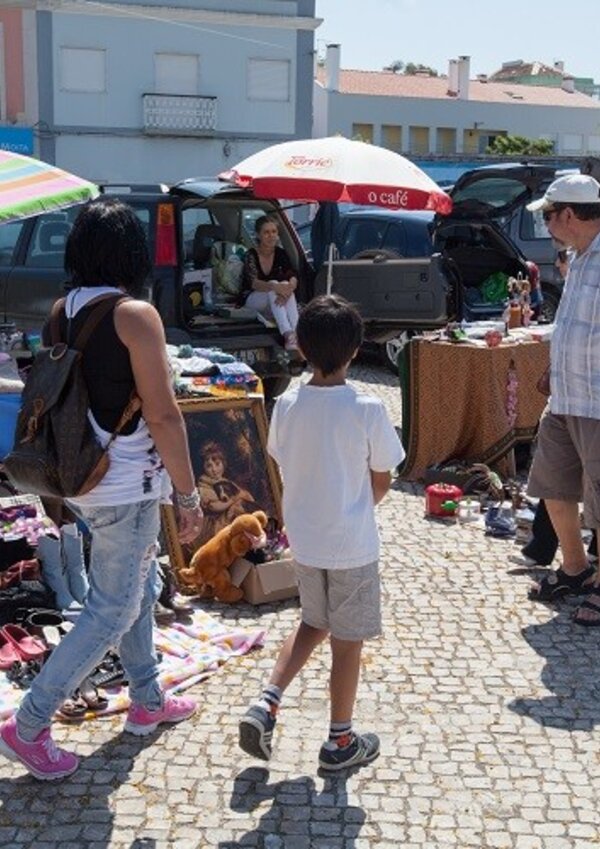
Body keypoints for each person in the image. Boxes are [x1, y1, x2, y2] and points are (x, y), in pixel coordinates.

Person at [0, 199, 204, 780]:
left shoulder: (61, 311)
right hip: (125, 486)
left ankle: (147, 697)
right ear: (130, 253)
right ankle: (29, 725)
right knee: (113, 607)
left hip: (79, 478)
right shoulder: (135, 316)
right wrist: (188, 496)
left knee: (137, 585)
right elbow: (163, 416)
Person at [238, 294, 404, 771]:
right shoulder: (367, 407)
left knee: (314, 620)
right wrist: (355, 509)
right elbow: (382, 479)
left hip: (306, 540)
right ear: (355, 350)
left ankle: (267, 701)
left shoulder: (288, 404)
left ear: (301, 347)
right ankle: (340, 741)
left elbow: (282, 459)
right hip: (351, 544)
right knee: (346, 644)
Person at [525, 174, 600, 623]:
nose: (547, 224)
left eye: (549, 216)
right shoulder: (578, 257)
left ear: (568, 214)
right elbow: (574, 324)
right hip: (567, 396)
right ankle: (576, 568)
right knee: (552, 486)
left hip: (597, 401)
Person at [241, 215, 300, 353]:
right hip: (253, 300)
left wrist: (287, 290)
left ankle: (296, 334)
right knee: (274, 284)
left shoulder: (281, 253)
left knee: (285, 284)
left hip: (275, 301)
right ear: (258, 235)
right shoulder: (251, 255)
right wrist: (275, 287)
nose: (271, 236)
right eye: (266, 232)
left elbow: (293, 276)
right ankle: (288, 334)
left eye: (274, 231)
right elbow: (253, 283)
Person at [196, 440, 257, 543]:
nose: (214, 469)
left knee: (242, 505)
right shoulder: (203, 485)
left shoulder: (226, 481)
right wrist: (233, 500)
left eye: (217, 464)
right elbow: (214, 507)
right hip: (215, 523)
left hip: (227, 516)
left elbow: (241, 494)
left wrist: (245, 496)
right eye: (209, 466)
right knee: (237, 507)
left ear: (223, 463)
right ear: (203, 468)